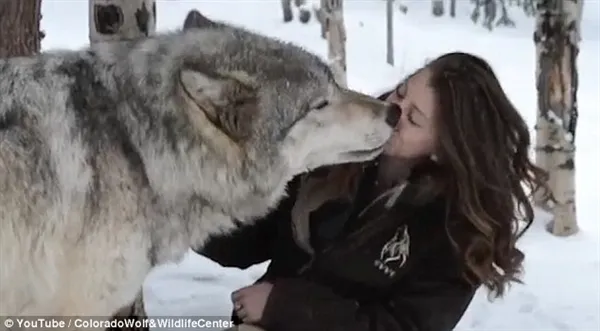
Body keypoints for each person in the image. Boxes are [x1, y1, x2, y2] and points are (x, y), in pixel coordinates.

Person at [197, 52, 548, 331]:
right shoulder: (344, 141)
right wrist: (188, 211)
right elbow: (253, 235)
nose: (393, 112)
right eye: (401, 91)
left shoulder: (458, 232)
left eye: (413, 119)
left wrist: (284, 307)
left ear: (445, 147)